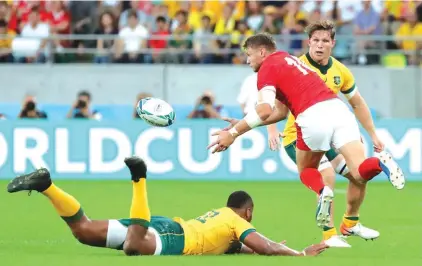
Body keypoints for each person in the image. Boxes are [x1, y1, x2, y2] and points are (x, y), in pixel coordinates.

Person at [207, 33, 405, 245]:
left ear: (262, 52)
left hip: (312, 116)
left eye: (249, 55)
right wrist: (242, 122)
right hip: (338, 109)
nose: (247, 60)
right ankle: (380, 161)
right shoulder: (289, 59)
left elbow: (263, 110)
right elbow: (280, 113)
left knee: (307, 170)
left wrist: (233, 133)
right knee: (358, 172)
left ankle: (323, 192)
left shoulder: (267, 68)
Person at [7, 156, 328, 256]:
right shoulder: (237, 220)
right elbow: (264, 246)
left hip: (165, 223)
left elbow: (247, 248)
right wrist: (297, 253)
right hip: (174, 239)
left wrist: (263, 247)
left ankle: (47, 185)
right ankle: (139, 180)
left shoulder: (221, 220)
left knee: (83, 230)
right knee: (134, 246)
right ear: (248, 212)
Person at [266, 20, 380, 244]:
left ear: (332, 44)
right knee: (326, 176)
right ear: (309, 42)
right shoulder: (295, 67)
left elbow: (357, 103)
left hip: (329, 137)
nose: (319, 45)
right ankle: (329, 235)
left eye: (324, 41)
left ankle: (350, 223)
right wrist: (271, 128)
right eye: (315, 40)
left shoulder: (340, 71)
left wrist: (373, 135)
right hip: (298, 138)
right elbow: (274, 103)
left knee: (359, 174)